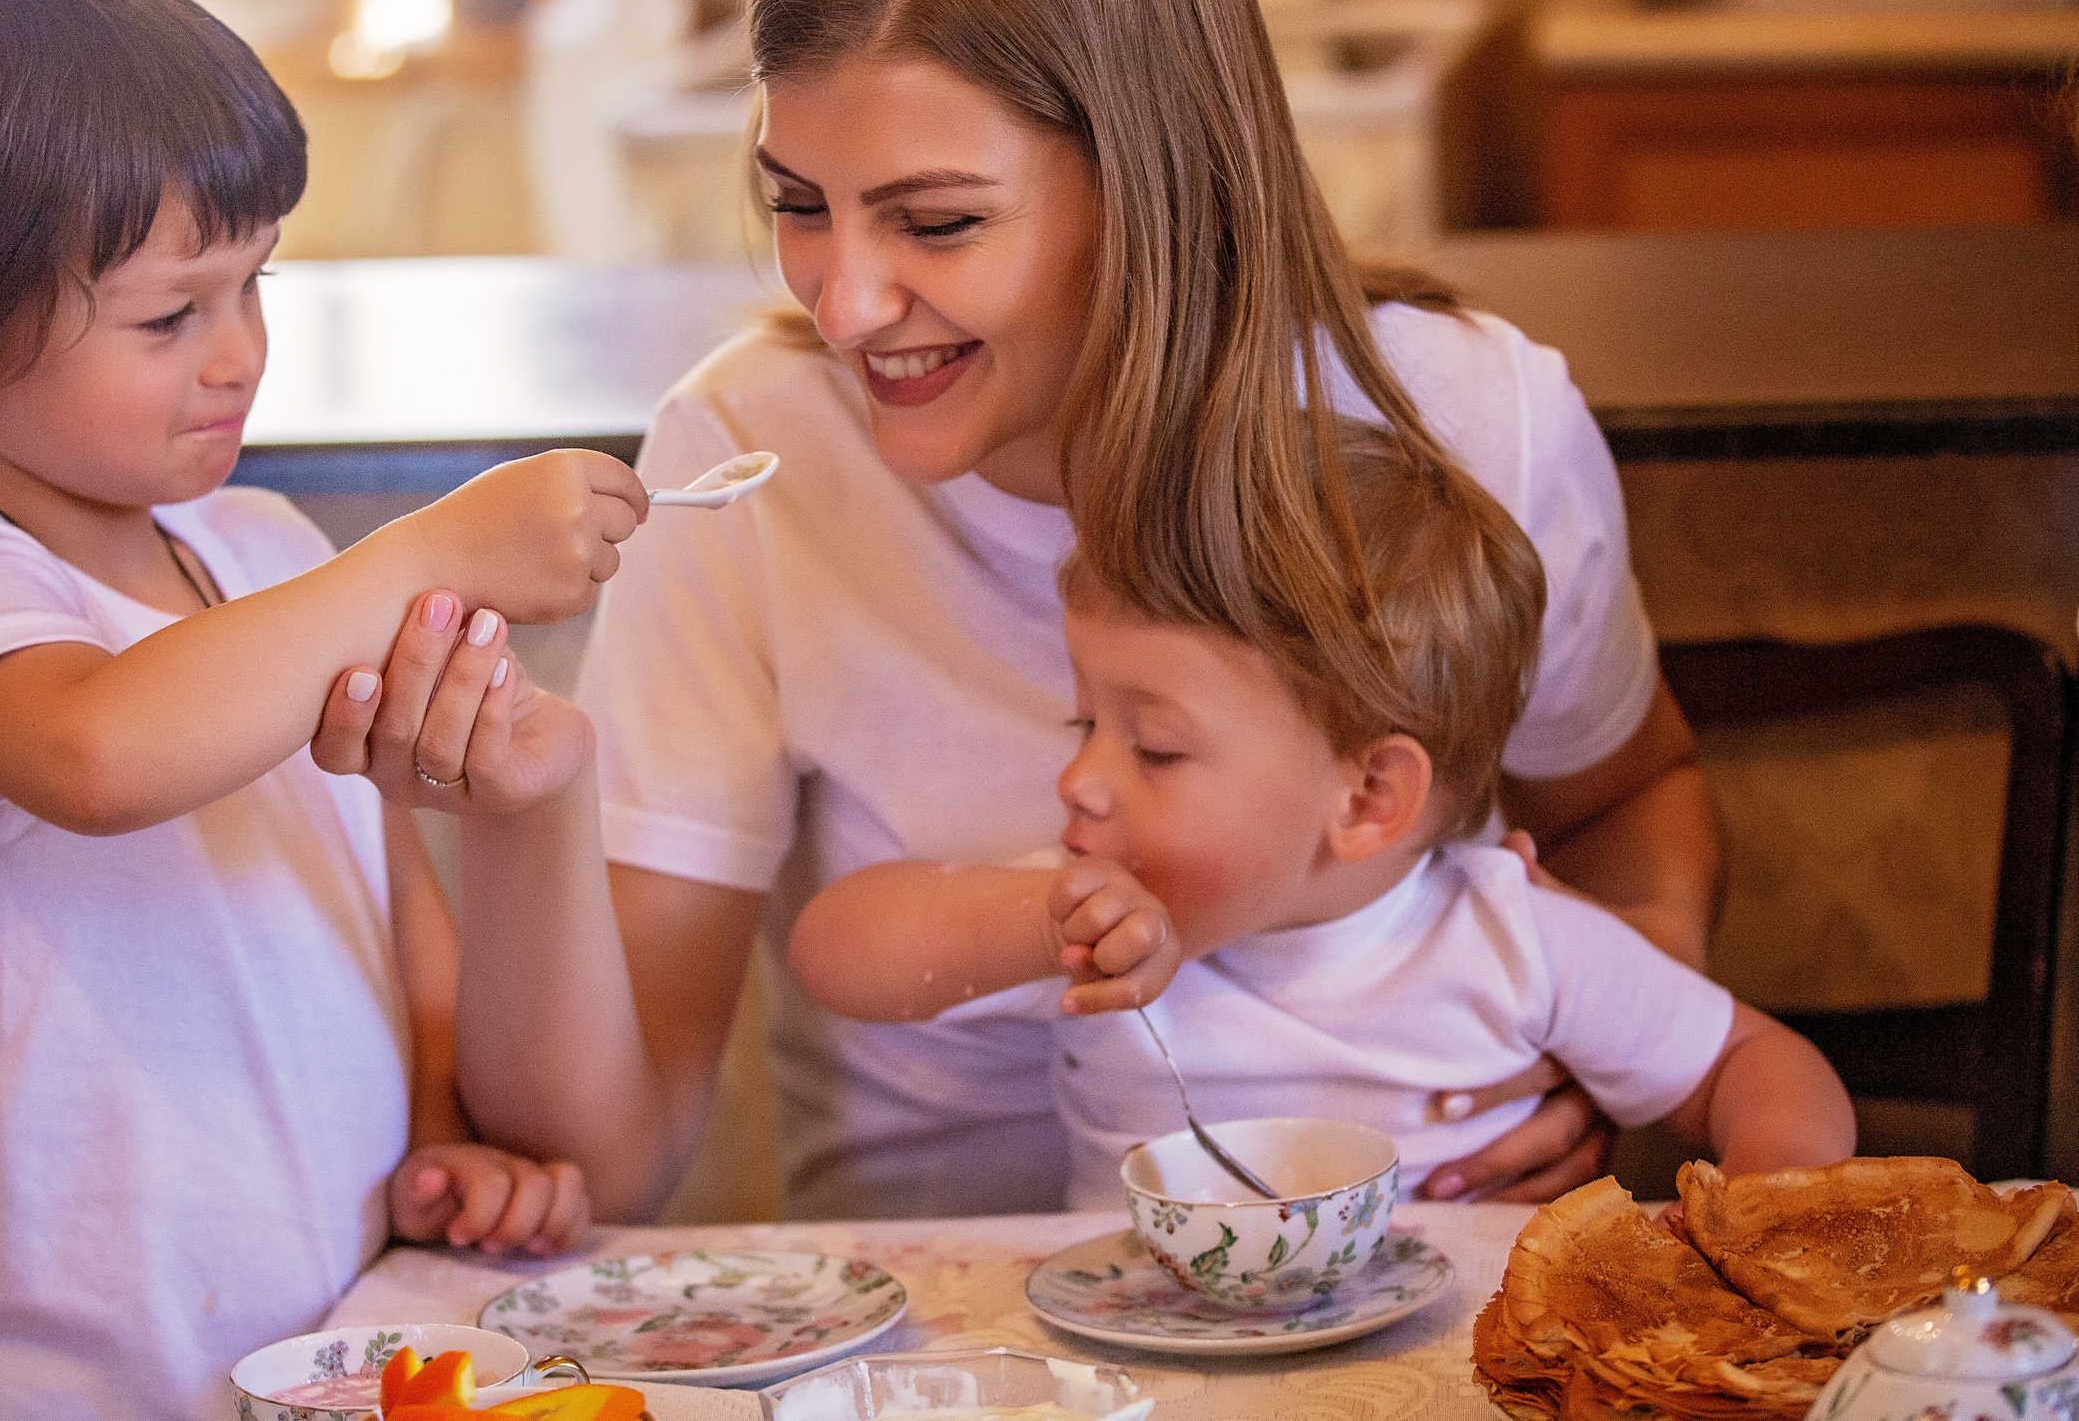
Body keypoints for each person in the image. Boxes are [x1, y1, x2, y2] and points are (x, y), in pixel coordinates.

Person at [327, 0, 1727, 1223]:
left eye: (936, 221)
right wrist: (521, 813)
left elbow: (1626, 799)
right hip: (946, 1322)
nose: (847, 301)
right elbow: (612, 1158)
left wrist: (1622, 1033)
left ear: (1152, 187)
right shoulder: (751, 449)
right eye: (798, 201)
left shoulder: (1459, 416)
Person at [0, 0, 644, 1420]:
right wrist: (424, 552)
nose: (238, 352)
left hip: (335, 1355)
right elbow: (106, 754)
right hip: (84, 1384)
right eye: (172, 314)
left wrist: (442, 1134)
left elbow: (397, 905)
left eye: (255, 283)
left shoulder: (268, 549)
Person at [784, 421, 1855, 1203]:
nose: (1082, 782)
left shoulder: (1509, 936)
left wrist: (1771, 1215)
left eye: (1152, 745)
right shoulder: (1094, 927)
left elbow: (1752, 1067)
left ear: (1368, 798)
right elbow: (834, 955)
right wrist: (1034, 924)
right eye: (1084, 727)